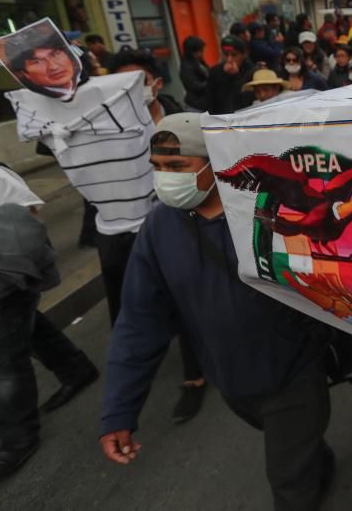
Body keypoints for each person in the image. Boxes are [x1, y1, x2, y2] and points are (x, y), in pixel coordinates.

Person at [99, 114, 334, 510]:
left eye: (177, 166)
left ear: (213, 164)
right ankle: (315, 458)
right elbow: (140, 321)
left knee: (289, 483)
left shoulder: (267, 209)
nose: (164, 178)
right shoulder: (158, 229)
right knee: (297, 454)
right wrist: (119, 409)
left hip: (294, 373)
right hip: (232, 382)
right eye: (157, 167)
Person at [0, 158, 99, 481]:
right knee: (27, 331)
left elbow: (27, 220)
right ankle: (76, 369)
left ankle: (17, 438)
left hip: (13, 278)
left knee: (2, 358)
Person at [110, 52, 208, 420]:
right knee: (139, 308)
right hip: (126, 231)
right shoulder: (105, 132)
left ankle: (195, 376)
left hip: (186, 219)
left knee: (189, 300)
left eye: (136, 82)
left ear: (156, 83)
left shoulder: (182, 123)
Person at [2, 24, 81, 100]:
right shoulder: (29, 101)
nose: (53, 67)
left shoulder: (85, 81)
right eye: (37, 62)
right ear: (24, 73)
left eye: (55, 54)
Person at [208, 36, 254, 115]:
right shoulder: (215, 72)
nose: (229, 59)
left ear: (243, 55)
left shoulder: (251, 71)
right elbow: (210, 100)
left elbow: (245, 98)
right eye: (226, 55)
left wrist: (235, 76)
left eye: (234, 55)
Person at [179, 36, 210, 112]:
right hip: (196, 106)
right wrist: (211, 83)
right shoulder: (186, 67)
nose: (202, 53)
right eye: (200, 51)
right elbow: (194, 86)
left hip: (204, 103)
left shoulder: (199, 62)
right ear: (192, 52)